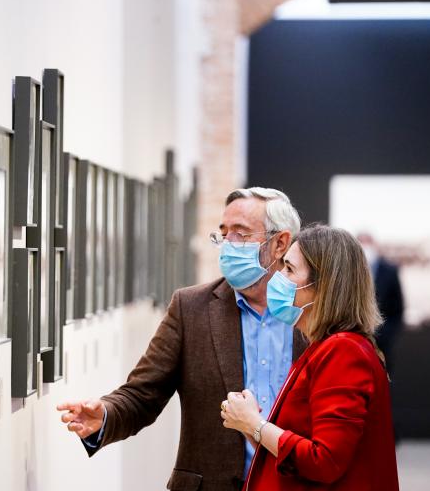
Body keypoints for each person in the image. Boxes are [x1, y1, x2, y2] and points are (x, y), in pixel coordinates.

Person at [57, 188, 307, 491]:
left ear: (280, 243)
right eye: (223, 234)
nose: (227, 246)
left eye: (240, 235)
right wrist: (106, 414)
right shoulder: (192, 308)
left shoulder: (313, 313)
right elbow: (142, 394)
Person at [220, 225, 399, 490]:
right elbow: (301, 445)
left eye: (289, 269)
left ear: (323, 286)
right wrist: (251, 428)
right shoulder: (323, 347)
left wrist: (255, 424)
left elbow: (324, 460)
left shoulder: (343, 351)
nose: (277, 278)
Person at [357, 233, 404, 375]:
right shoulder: (351, 270)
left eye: (367, 243)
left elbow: (398, 308)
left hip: (381, 345)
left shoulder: (390, 271)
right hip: (355, 343)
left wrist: (384, 335)